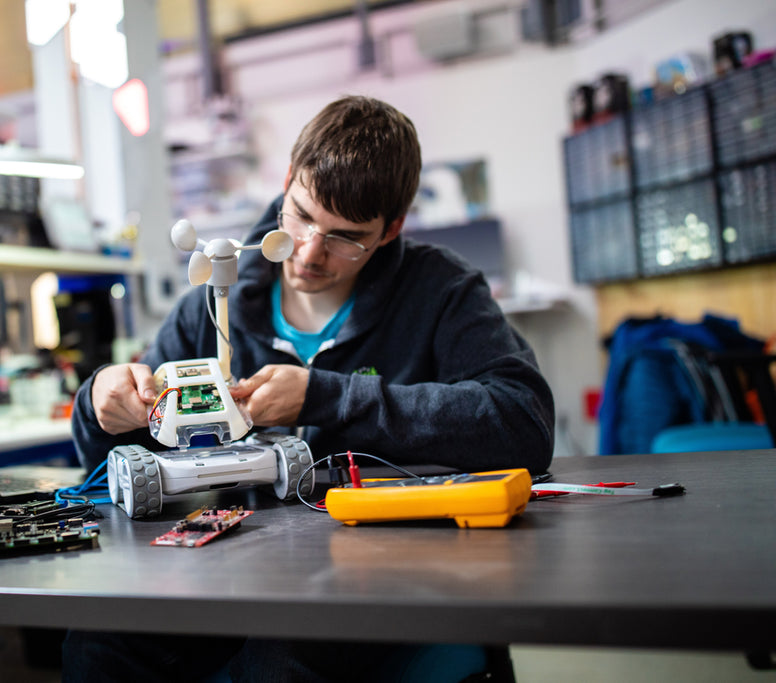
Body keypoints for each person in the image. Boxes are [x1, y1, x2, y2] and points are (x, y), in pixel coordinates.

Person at [65, 96, 554, 682]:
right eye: (299, 216)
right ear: (288, 180)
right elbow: (114, 459)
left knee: (280, 664)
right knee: (98, 644)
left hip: (378, 566)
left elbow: (522, 421)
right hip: (229, 562)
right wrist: (99, 404)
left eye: (346, 237)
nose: (309, 252)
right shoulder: (217, 296)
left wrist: (329, 397)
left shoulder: (441, 290)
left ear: (391, 228)